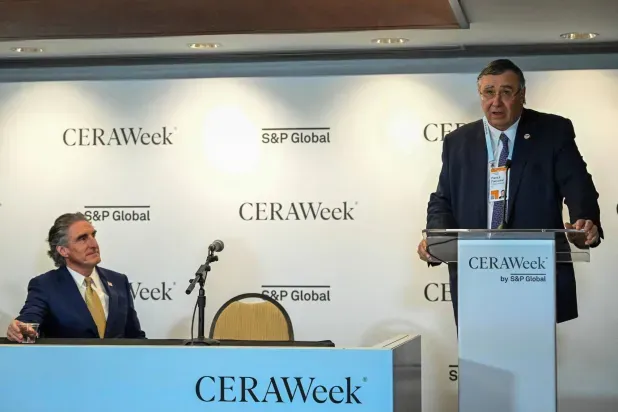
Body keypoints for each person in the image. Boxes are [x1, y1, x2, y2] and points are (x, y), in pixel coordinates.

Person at [418, 59, 603, 326]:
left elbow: (577, 184)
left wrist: (584, 222)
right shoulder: (458, 141)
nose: (496, 101)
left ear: (522, 95)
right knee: (480, 348)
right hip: (476, 270)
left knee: (530, 347)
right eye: (488, 92)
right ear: (480, 95)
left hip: (533, 269)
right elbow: (443, 199)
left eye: (506, 92)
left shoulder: (552, 131)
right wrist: (437, 240)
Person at [6, 212, 146, 342]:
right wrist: (19, 328)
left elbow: (134, 336)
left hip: (116, 361)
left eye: (93, 236)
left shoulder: (119, 281)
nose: (93, 244)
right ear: (63, 250)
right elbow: (30, 319)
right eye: (82, 239)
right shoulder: (45, 285)